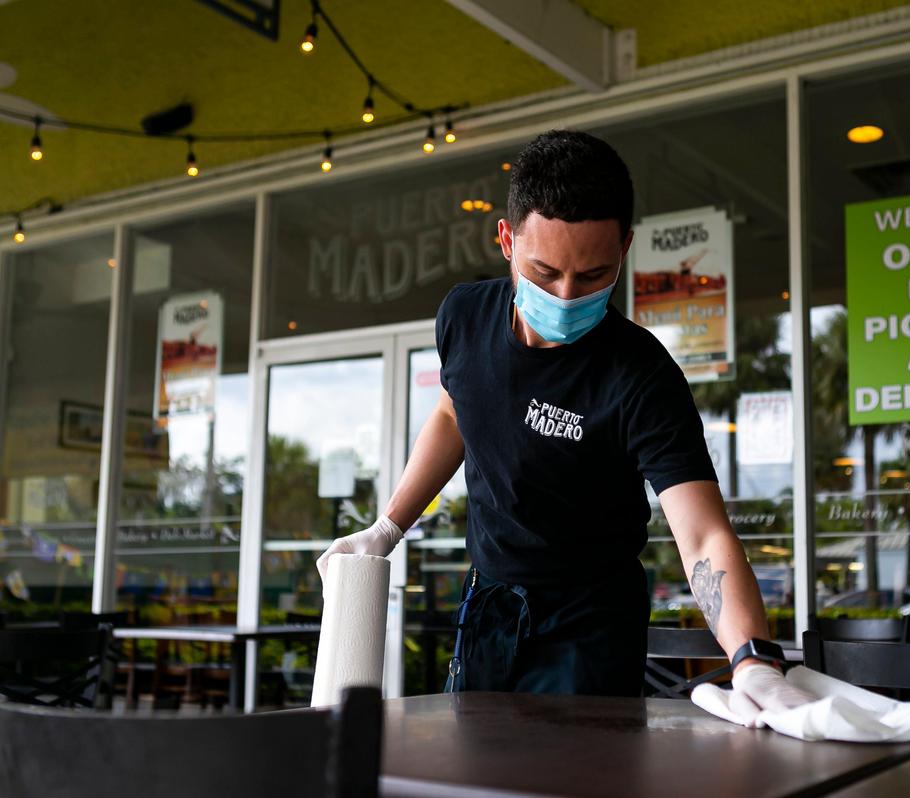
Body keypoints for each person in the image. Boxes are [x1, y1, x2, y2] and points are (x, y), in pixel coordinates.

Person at [317, 129, 809, 720]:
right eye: (545, 272)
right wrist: (388, 526)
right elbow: (454, 411)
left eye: (594, 275)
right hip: (490, 606)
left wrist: (752, 657)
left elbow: (702, 535)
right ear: (506, 239)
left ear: (624, 248)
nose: (568, 296)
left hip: (591, 625)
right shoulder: (463, 317)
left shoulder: (641, 376)